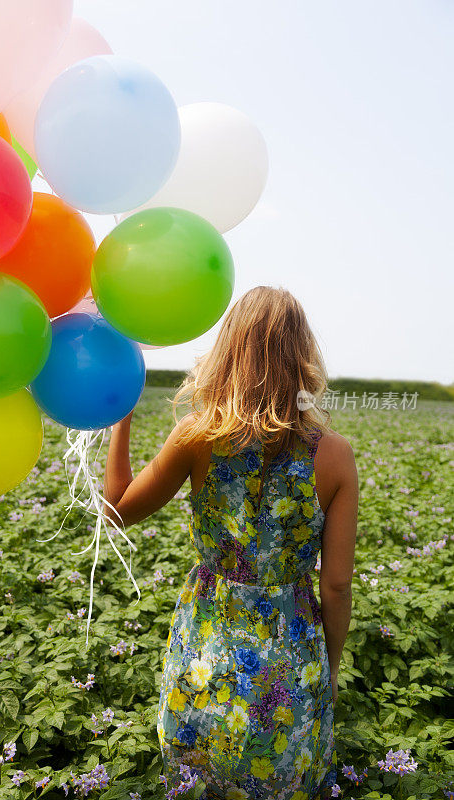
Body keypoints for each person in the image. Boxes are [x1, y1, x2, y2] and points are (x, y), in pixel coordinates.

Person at [103, 285, 359, 800]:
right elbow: (335, 585)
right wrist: (328, 670)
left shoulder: (197, 436)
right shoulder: (335, 456)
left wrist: (120, 412)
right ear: (304, 357)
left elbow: (116, 510)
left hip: (206, 653)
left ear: (229, 351)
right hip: (291, 665)